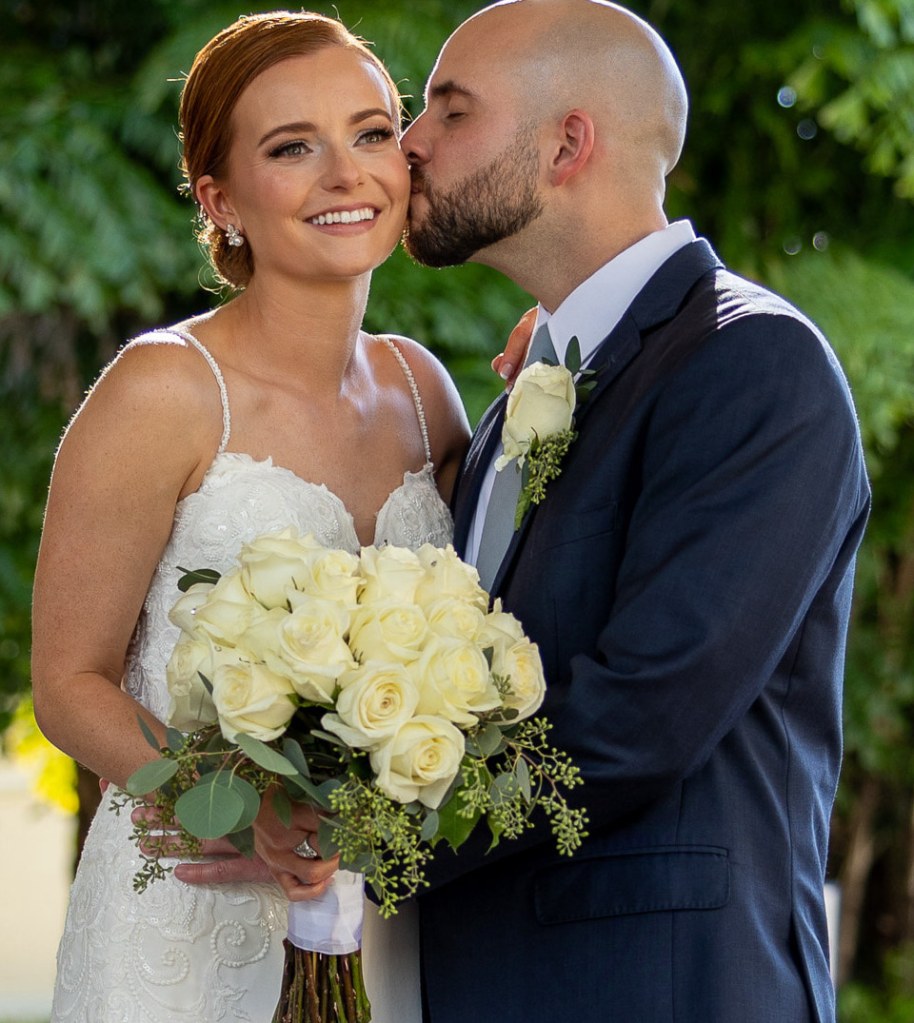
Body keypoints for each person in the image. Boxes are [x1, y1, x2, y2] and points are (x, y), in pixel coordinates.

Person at [29, 11, 519, 1021]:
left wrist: (547, 373)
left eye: (371, 132)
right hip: (184, 915)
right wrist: (239, 801)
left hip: (374, 922)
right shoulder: (162, 390)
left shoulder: (424, 389)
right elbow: (67, 684)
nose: (345, 174)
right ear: (221, 199)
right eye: (292, 148)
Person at [401, 1, 871, 1020]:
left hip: (661, 987)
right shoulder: (526, 391)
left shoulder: (752, 363)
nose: (409, 144)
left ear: (567, 143)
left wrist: (364, 838)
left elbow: (641, 714)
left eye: (450, 110)